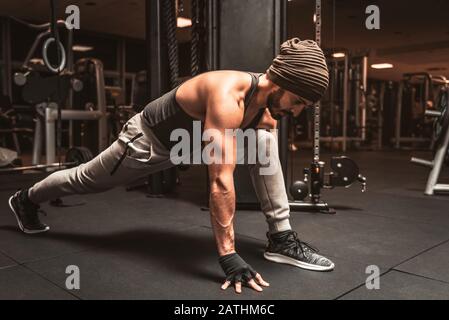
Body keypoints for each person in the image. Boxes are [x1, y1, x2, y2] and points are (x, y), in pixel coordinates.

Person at [8, 38, 334, 294]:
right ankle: (27, 198)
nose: (298, 111)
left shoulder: (265, 112)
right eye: (299, 102)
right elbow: (221, 181)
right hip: (147, 143)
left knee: (264, 141)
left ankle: (281, 238)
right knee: (88, 179)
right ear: (281, 82)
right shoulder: (228, 96)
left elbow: (256, 162)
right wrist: (228, 255)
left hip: (186, 145)